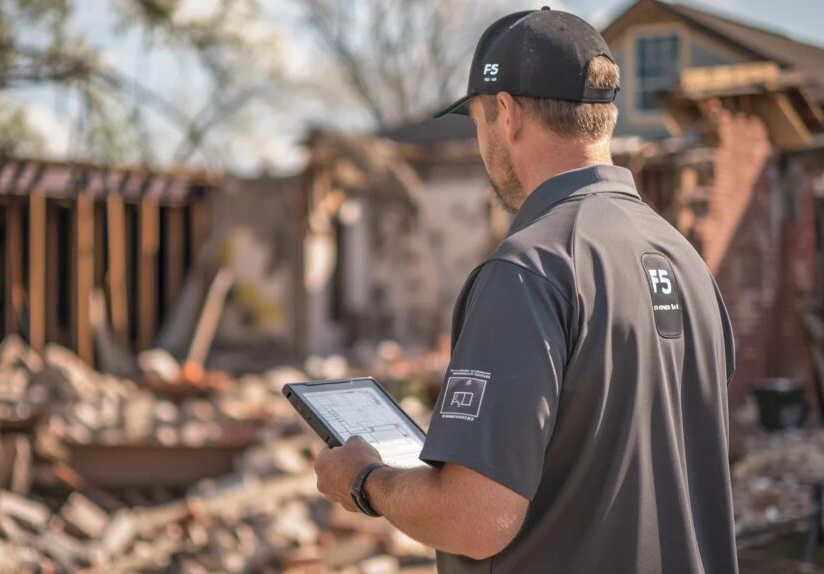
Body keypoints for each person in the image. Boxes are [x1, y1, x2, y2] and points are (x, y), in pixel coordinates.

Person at [313, 7, 739, 573]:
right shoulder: (685, 260)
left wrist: (366, 480)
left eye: (478, 121)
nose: (482, 142)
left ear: (507, 114)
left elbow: (476, 519)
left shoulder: (529, 268)